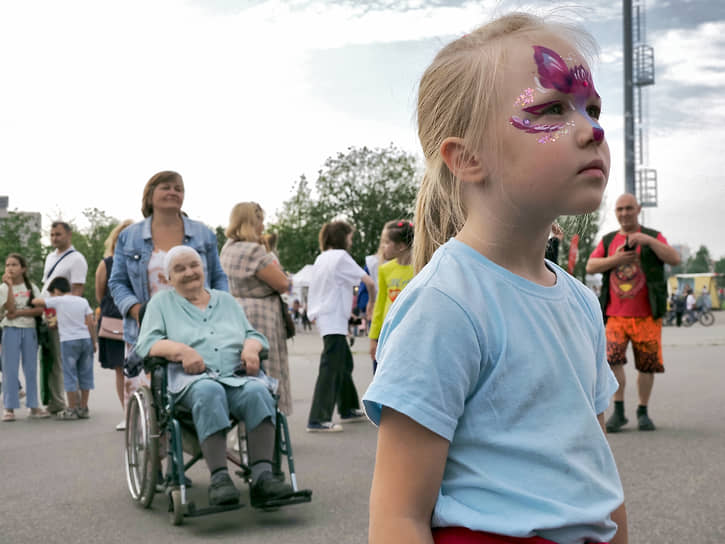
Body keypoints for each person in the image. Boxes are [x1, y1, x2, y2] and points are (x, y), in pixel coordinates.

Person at [363, 13, 628, 544]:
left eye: (592, 108)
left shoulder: (577, 301)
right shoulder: (445, 303)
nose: (594, 128)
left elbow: (598, 477)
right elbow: (397, 516)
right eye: (552, 108)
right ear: (467, 159)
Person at [134, 245, 295, 507]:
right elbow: (147, 344)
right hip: (190, 381)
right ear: (169, 278)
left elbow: (252, 335)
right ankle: (220, 479)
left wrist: (251, 349)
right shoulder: (161, 303)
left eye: (193, 266)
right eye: (179, 269)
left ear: (203, 269)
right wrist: (181, 351)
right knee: (209, 390)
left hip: (235, 375)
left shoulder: (226, 300)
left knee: (258, 391)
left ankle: (263, 477)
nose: (189, 272)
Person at [108, 171, 228, 408]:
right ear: (150, 195)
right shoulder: (129, 237)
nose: (173, 192)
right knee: (150, 404)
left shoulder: (203, 234)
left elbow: (218, 277)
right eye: (166, 187)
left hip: (199, 326)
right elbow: (117, 282)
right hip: (148, 328)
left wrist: (220, 307)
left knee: (203, 395)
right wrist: (136, 310)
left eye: (178, 188)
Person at [586, 193, 680, 433]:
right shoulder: (608, 240)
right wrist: (615, 259)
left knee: (647, 366)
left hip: (648, 314)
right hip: (615, 315)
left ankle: (643, 411)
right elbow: (590, 265)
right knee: (613, 362)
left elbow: (674, 259)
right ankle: (618, 412)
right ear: (616, 213)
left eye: (629, 209)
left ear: (638, 209)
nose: (624, 213)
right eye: (620, 210)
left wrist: (647, 242)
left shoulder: (652, 236)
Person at [220, 202, 293, 415]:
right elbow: (282, 284)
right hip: (261, 313)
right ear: (252, 221)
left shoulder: (227, 248)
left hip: (236, 308)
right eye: (260, 220)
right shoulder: (254, 250)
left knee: (242, 367)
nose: (263, 226)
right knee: (266, 366)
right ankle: (268, 415)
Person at [306, 221, 376, 433]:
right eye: (350, 237)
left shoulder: (321, 258)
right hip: (333, 317)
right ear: (342, 237)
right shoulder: (340, 257)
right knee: (331, 367)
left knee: (343, 362)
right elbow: (369, 282)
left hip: (325, 315)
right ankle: (318, 418)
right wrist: (371, 303)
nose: (351, 241)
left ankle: (348, 407)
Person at [40, 221, 88, 415]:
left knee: (66, 361)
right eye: (52, 234)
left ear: (69, 235)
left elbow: (77, 290)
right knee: (52, 361)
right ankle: (56, 401)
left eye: (58, 234)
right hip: (48, 312)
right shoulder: (50, 257)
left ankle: (75, 404)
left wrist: (65, 317)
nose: (54, 238)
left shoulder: (77, 259)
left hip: (64, 317)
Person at [33, 277, 97, 420]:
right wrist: (93, 342)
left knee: (70, 375)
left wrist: (45, 299)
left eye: (52, 293)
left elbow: (36, 302)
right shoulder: (82, 301)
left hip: (68, 341)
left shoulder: (58, 300)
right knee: (85, 374)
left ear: (56, 290)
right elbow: (90, 322)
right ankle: (83, 408)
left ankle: (72, 409)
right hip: (85, 339)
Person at [1, 253, 49, 421]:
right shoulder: (3, 288)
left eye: (14, 265)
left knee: (30, 369)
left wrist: (21, 313)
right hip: (10, 330)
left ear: (23, 268)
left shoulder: (31, 287)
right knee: (9, 369)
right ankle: (9, 408)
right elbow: (9, 309)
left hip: (29, 330)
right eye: (8, 265)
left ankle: (34, 406)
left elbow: (39, 310)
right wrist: (9, 287)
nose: (10, 268)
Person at [95, 219, 133, 430]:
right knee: (121, 369)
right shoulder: (106, 263)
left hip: (139, 320)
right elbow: (100, 295)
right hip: (114, 321)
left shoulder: (143, 261)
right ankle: (127, 413)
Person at [368, 220, 414, 374]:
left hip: (411, 334)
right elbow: (379, 306)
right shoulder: (385, 270)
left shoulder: (421, 269)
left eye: (387, 243)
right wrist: (374, 337)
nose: (382, 247)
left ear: (401, 246)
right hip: (387, 334)